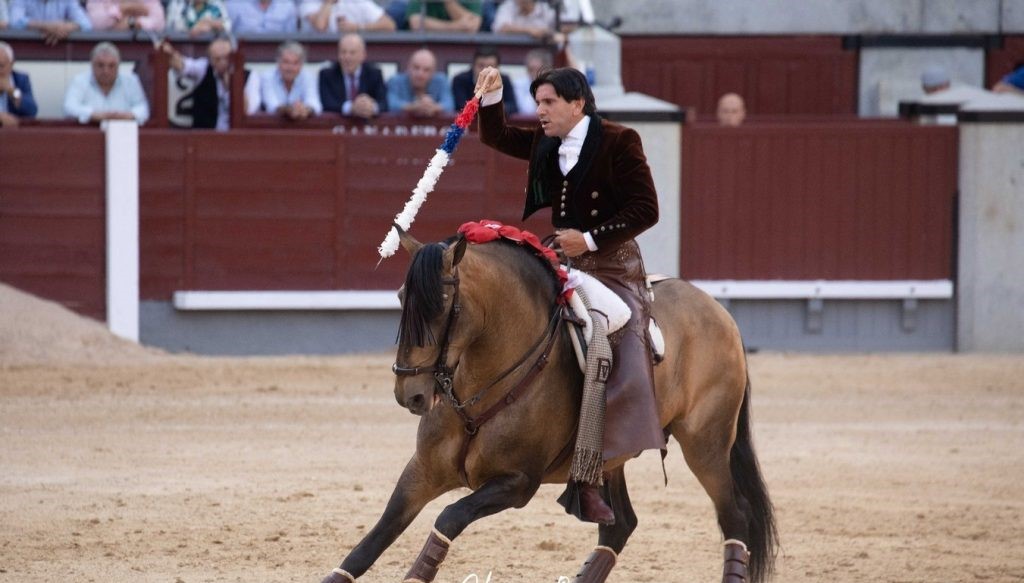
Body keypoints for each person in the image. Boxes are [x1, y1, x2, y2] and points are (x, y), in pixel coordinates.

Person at [474, 66, 663, 526]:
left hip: (613, 264)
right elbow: (497, 136)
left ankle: (592, 470)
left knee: (608, 335)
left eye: (548, 102)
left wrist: (591, 239)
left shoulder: (619, 140)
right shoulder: (547, 142)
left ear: (577, 104)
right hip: (565, 260)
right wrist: (492, 96)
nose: (540, 111)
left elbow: (647, 209)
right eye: (537, 102)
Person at [162, 37, 245, 130]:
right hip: (206, 134)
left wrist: (232, 87)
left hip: (236, 135)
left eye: (226, 57)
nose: (223, 62)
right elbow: (182, 65)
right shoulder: (204, 68)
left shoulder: (248, 76)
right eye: (217, 59)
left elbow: (247, 110)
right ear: (211, 59)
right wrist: (171, 53)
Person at [63, 41, 150, 125]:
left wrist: (126, 116)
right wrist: (94, 115)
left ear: (118, 66)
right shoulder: (80, 81)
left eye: (111, 66)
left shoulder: (130, 81)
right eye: (100, 65)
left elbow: (144, 109)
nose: (106, 71)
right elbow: (69, 108)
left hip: (124, 132)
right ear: (92, 65)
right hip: (87, 132)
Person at [245, 40, 321, 120]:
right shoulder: (267, 77)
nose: (290, 68)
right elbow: (272, 105)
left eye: (295, 63)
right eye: (286, 62)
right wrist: (290, 110)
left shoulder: (308, 77)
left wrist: (305, 110)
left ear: (301, 65)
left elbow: (314, 104)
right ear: (278, 62)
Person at [319, 33, 386, 119]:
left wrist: (371, 107)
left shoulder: (374, 73)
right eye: (343, 52)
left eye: (352, 53)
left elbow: (384, 103)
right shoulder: (327, 75)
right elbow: (327, 103)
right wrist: (351, 108)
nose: (347, 57)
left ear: (363, 55)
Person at [386, 47, 453, 117]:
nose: (420, 74)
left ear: (433, 72)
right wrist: (413, 107)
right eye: (416, 68)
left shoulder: (441, 81)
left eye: (426, 70)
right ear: (408, 67)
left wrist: (433, 107)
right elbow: (390, 104)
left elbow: (449, 105)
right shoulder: (396, 81)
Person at [451, 45, 517, 115]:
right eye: (481, 66)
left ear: (497, 68)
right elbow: (461, 107)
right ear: (473, 66)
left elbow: (512, 106)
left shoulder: (504, 80)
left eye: (491, 66)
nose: (485, 71)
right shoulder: (460, 80)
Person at [8, 0, 92, 44]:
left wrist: (65, 27)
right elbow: (14, 21)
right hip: (28, 47)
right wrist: (45, 26)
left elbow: (86, 24)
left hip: (59, 49)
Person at [0, 41, 38, 128]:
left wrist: (12, 91)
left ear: (11, 64)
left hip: (13, 132)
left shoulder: (20, 79)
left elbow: (32, 111)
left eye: (1, 66)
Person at [299, 0, 394, 33]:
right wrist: (328, 3)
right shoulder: (308, 3)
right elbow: (320, 26)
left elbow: (389, 25)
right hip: (320, 57)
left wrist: (358, 27)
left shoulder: (357, 2)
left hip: (353, 56)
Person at [491, 0, 558, 42]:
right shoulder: (508, 6)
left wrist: (545, 33)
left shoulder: (545, 9)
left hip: (540, 51)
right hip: (512, 49)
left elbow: (555, 33)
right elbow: (502, 28)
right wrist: (530, 30)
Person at [512, 47, 550, 115]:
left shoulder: (553, 86)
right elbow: (524, 110)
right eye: (531, 70)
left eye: (538, 70)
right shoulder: (518, 85)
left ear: (546, 70)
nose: (534, 74)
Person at [86, 0, 165, 31]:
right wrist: (123, 8)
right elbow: (96, 23)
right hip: (106, 45)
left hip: (138, 46)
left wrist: (131, 22)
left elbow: (159, 23)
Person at [406, 0, 480, 33]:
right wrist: (455, 27)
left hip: (462, 49)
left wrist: (448, 2)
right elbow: (416, 24)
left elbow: (472, 27)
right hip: (427, 46)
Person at [225, 0, 296, 34]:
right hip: (241, 50)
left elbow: (290, 37)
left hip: (278, 51)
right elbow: (226, 32)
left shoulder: (287, 5)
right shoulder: (234, 3)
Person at [166, 0, 231, 35]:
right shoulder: (178, 3)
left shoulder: (216, 3)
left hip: (211, 45)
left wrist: (211, 23)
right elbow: (171, 28)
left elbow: (227, 25)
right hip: (182, 46)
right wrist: (196, 27)